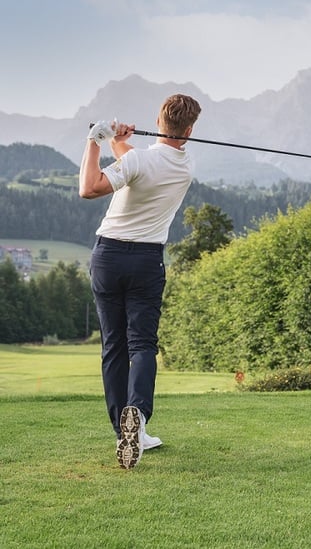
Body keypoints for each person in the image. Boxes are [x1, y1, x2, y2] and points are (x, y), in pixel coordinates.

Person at [79, 94, 201, 469]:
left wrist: (94, 142)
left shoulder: (137, 159)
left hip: (108, 257)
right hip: (147, 261)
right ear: (190, 130)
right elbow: (139, 161)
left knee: (114, 345)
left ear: (158, 120)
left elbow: (90, 187)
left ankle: (123, 430)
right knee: (142, 345)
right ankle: (139, 417)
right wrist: (118, 140)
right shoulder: (184, 167)